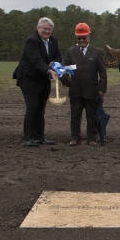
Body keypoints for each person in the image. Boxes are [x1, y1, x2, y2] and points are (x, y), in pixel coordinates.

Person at [13, 17, 62, 147]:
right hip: (28, 78)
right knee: (32, 107)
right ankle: (29, 138)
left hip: (43, 78)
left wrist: (54, 63)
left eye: (49, 30)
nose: (47, 32)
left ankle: (40, 136)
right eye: (44, 29)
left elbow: (58, 56)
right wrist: (49, 70)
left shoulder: (53, 41)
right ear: (38, 28)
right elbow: (36, 60)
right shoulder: (31, 41)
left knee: (41, 108)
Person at [62, 23, 107, 147]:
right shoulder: (70, 52)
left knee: (91, 116)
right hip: (75, 90)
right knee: (75, 116)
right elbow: (64, 68)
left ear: (89, 36)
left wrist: (101, 90)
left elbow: (103, 73)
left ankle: (92, 138)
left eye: (84, 37)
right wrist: (65, 81)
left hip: (92, 90)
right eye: (79, 38)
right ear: (76, 37)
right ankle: (75, 138)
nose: (81, 40)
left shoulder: (97, 52)